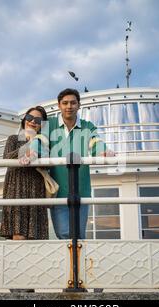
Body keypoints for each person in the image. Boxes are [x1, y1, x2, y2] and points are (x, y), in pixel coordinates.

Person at [46, 88, 115, 239]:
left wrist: (102, 151)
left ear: (79, 105)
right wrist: (31, 152)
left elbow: (95, 140)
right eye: (65, 103)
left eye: (72, 103)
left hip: (81, 190)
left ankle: (79, 263)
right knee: (63, 234)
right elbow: (39, 142)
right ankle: (70, 263)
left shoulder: (87, 126)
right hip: (57, 191)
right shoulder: (49, 124)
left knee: (79, 236)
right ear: (59, 105)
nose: (69, 106)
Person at [0, 106, 49, 240]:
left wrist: (36, 143)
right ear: (24, 119)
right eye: (29, 117)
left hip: (35, 189)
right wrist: (26, 148)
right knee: (18, 235)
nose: (32, 121)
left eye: (37, 120)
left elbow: (47, 162)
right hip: (16, 189)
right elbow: (6, 158)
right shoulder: (13, 139)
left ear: (42, 124)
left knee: (36, 238)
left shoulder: (43, 142)